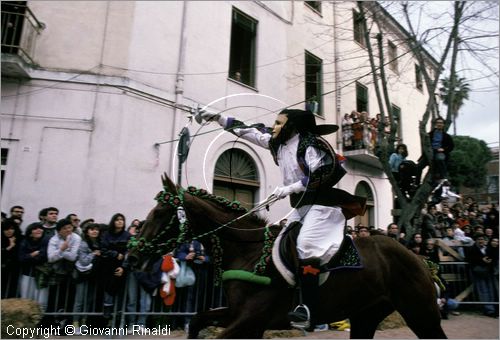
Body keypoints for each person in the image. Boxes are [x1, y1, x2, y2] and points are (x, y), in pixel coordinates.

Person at [197, 108, 365, 330]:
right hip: (301, 207)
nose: (273, 126)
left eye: (278, 123)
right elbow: (252, 133)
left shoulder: (310, 144)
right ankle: (282, 299)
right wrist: (217, 118)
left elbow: (324, 172)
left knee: (305, 246)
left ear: (290, 126)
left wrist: (289, 188)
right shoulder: (278, 143)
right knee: (278, 245)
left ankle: (309, 310)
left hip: (322, 206)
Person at [100, 213, 131, 321]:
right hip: (108, 267)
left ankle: (118, 317)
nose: (120, 221)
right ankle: (107, 316)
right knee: (108, 290)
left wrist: (123, 267)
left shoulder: (127, 236)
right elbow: (103, 250)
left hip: (122, 267)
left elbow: (129, 253)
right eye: (117, 219)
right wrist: (115, 254)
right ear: (113, 221)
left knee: (120, 292)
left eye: (122, 219)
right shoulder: (106, 235)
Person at [174, 240, 210, 332]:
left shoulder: (207, 238)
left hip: (203, 272)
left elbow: (214, 256)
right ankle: (188, 322)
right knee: (190, 297)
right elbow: (179, 253)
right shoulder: (187, 239)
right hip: (191, 270)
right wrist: (186, 256)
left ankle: (199, 323)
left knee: (201, 297)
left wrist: (204, 258)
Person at [73, 223, 102, 332]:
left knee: (89, 301)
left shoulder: (99, 243)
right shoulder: (84, 244)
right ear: (87, 231)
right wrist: (93, 254)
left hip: (93, 275)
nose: (95, 231)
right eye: (92, 229)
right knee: (79, 300)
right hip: (83, 275)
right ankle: (75, 324)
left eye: (96, 230)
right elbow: (83, 261)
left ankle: (84, 323)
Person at [18, 222, 50, 312]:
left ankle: (39, 323)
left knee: (41, 301)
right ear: (30, 232)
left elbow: (43, 257)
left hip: (42, 274)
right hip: (27, 274)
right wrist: (32, 255)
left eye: (40, 228)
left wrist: (28, 256)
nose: (39, 230)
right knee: (26, 299)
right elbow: (21, 258)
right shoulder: (25, 242)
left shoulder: (46, 240)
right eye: (35, 228)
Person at [466, 233, 497, 317]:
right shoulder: (471, 249)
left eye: (482, 239)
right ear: (476, 240)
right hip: (478, 273)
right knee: (483, 291)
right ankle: (488, 310)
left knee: (491, 290)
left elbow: (493, 257)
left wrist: (489, 261)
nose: (481, 241)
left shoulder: (488, 248)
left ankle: (493, 308)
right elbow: (470, 260)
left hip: (488, 272)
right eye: (479, 239)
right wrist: (482, 260)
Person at [417, 117, 454, 185]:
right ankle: (417, 182)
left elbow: (451, 146)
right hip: (430, 152)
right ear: (435, 124)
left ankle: (443, 177)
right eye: (438, 123)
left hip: (440, 152)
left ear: (443, 125)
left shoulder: (447, 136)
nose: (439, 124)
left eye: (441, 123)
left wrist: (444, 149)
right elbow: (424, 144)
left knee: (439, 159)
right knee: (419, 166)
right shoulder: (430, 134)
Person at [1, 218, 21, 298]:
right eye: (6, 229)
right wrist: (10, 246)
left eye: (12, 229)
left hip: (15, 270)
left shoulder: (20, 239)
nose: (9, 231)